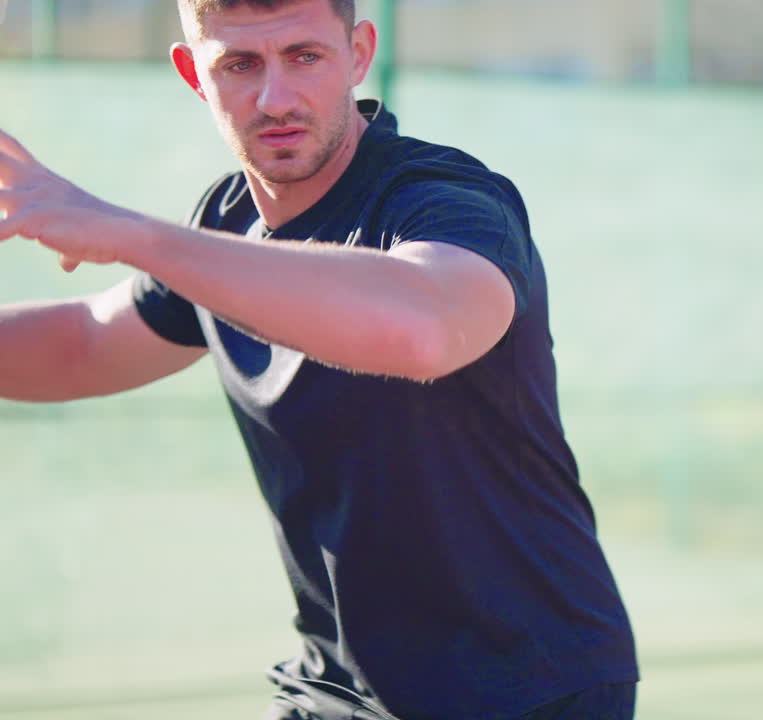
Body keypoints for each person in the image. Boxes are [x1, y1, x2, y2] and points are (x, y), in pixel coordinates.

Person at [0, 0, 638, 717]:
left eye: (305, 56)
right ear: (193, 75)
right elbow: (85, 342)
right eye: (239, 64)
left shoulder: (444, 201)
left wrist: (133, 235)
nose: (275, 98)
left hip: (524, 684)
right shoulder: (225, 225)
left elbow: (425, 329)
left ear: (359, 54)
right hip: (334, 686)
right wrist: (153, 247)